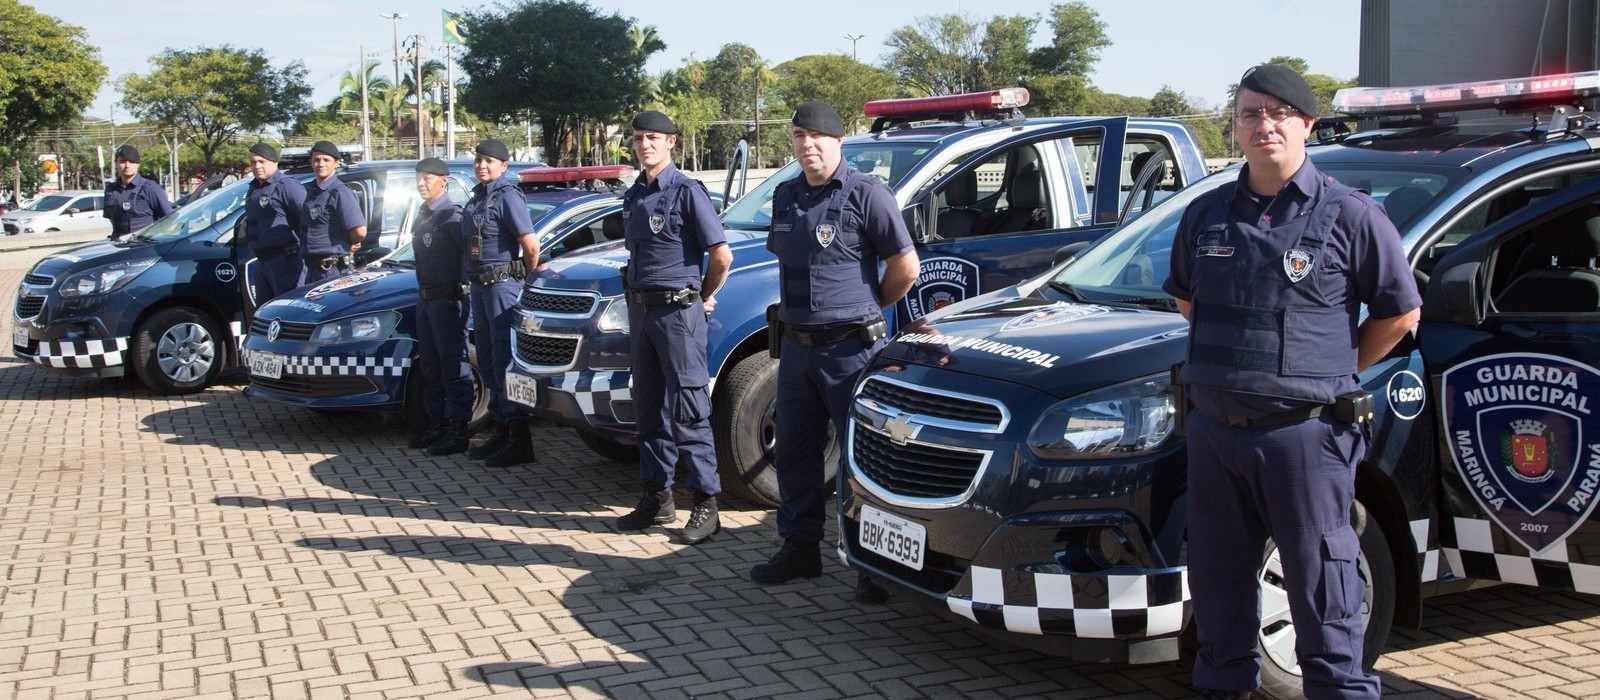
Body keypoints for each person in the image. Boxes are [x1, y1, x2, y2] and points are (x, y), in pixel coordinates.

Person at [1162, 64, 1421, 700]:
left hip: (1304, 438)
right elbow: (1189, 304)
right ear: (1237, 126)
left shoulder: (1351, 215)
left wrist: (1336, 372)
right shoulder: (1205, 214)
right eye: (1250, 113)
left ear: (1307, 124)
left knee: (1322, 593)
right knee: (1219, 595)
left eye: (1278, 113)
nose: (1263, 125)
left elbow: (1401, 312)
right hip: (1216, 435)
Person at [749, 102, 919, 603]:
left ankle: (872, 564)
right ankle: (800, 549)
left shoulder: (867, 194)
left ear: (839, 141)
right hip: (797, 351)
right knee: (796, 455)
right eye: (799, 135)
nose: (807, 145)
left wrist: (869, 307)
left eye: (817, 136)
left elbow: (904, 267)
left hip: (850, 350)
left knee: (860, 459)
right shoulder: (786, 196)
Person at [613, 110, 732, 545]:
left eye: (654, 138)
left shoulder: (686, 192)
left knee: (688, 408)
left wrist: (701, 294)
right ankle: (657, 497)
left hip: (679, 315)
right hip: (643, 313)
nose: (645, 144)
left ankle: (705, 503)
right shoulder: (635, 195)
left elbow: (721, 255)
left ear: (671, 143)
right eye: (639, 137)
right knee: (648, 409)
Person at [462, 139, 539, 469]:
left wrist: (527, 278)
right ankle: (501, 428)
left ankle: (519, 437)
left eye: (489, 161)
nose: (482, 165)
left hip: (502, 286)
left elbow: (530, 245)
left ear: (504, 165)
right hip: (480, 288)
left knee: (506, 360)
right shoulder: (478, 197)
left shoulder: (507, 196)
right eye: (478, 160)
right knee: (491, 358)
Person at [405, 158, 473, 456]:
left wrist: (462, 296)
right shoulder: (424, 216)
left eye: (428, 178)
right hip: (426, 300)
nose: (421, 183)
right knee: (431, 366)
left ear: (443, 181)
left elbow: (468, 260)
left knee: (453, 366)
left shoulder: (452, 217)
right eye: (419, 178)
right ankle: (438, 423)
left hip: (447, 301)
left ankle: (458, 429)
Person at [242, 143, 307, 307]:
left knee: (289, 311)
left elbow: (308, 219)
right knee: (266, 313)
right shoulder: (254, 188)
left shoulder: (287, 186)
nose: (257, 166)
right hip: (262, 261)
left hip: (285, 261)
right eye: (253, 162)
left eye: (261, 161)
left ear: (274, 162)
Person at [299, 141, 366, 286]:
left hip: (333, 270)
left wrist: (348, 243)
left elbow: (359, 232)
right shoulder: (310, 192)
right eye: (316, 159)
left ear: (336, 163)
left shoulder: (340, 192)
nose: (320, 164)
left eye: (326, 160)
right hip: (313, 270)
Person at [103, 145, 172, 240]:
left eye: (131, 162)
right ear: (116, 163)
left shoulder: (150, 188)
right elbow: (112, 218)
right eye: (123, 161)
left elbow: (169, 219)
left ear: (138, 164)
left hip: (144, 247)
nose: (127, 165)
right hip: (117, 246)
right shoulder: (110, 190)